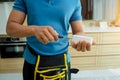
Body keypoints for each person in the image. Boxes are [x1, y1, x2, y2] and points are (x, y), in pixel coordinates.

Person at [6, 0, 95, 80]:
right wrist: (34, 30)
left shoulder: (74, 1)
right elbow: (10, 28)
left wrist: (82, 39)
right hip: (32, 62)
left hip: (62, 62)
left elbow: (79, 31)